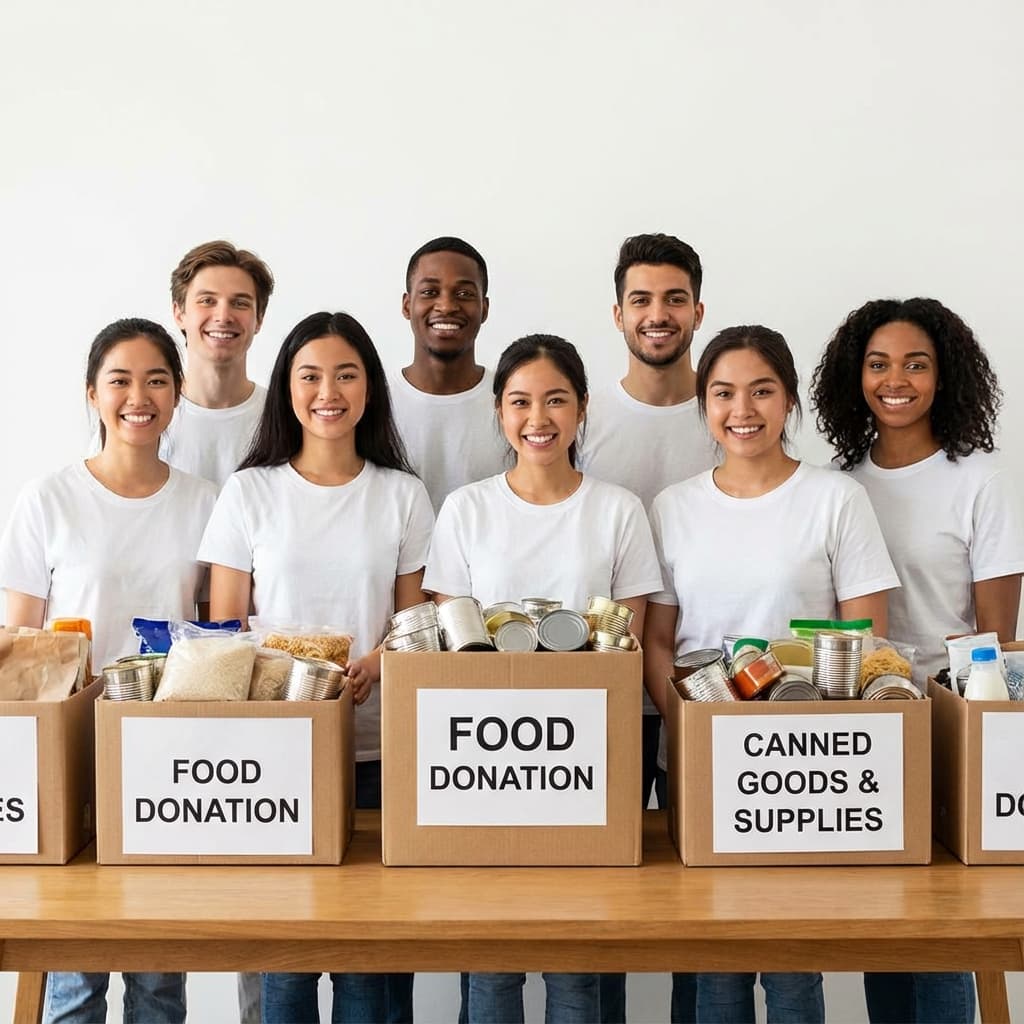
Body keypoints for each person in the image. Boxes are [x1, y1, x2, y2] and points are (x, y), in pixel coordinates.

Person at [644, 324, 899, 1024]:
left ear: (788, 401)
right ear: (704, 405)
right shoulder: (674, 506)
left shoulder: (834, 499)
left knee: (792, 966)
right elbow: (657, 641)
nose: (743, 409)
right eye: (723, 393)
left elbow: (868, 640)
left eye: (762, 390)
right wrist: (691, 727)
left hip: (805, 769)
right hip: (700, 759)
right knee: (709, 969)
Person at [199, 310, 433, 1024]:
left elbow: (415, 626)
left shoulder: (403, 494)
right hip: (275, 753)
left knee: (373, 961)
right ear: (286, 388)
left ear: (369, 389)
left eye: (345, 374)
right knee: (284, 961)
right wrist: (284, 678)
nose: (327, 391)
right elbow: (223, 627)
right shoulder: (250, 492)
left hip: (378, 749)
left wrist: (372, 663)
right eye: (310, 375)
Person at [424, 334, 663, 1024]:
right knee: (491, 961)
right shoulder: (467, 509)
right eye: (521, 401)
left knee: (581, 960)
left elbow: (627, 643)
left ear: (583, 408)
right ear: (499, 412)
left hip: (592, 761)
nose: (539, 417)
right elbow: (454, 649)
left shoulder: (618, 510)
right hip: (484, 759)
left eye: (556, 399)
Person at [811, 297, 1024, 1024]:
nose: (894, 379)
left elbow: (999, 639)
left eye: (915, 364)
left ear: (946, 375)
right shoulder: (838, 482)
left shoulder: (978, 480)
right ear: (855, 376)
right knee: (883, 915)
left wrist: (979, 739)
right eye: (878, 364)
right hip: (866, 717)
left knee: (940, 923)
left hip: (946, 717)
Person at [0, 317, 217, 1024]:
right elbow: (19, 644)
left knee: (159, 969)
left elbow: (219, 628)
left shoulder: (204, 500)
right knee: (74, 967)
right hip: (70, 751)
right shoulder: (48, 499)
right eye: (120, 380)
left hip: (166, 750)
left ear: (177, 394)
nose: (138, 396)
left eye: (157, 379)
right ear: (92, 393)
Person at [578, 231, 716, 1024]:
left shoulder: (730, 406)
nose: (657, 315)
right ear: (618, 313)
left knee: (706, 902)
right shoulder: (587, 419)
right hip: (606, 701)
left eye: (673, 299)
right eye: (641, 300)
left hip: (715, 697)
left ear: (698, 309)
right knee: (611, 904)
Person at [391, 235, 507, 513]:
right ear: (407, 305)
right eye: (430, 292)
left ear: (485, 308)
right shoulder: (372, 401)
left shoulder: (513, 403)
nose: (446, 306)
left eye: (464, 294)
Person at [167, 239, 275, 488]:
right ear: (179, 313)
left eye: (240, 303)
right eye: (207, 300)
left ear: (259, 319)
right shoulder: (143, 415)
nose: (224, 316)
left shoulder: (282, 417)